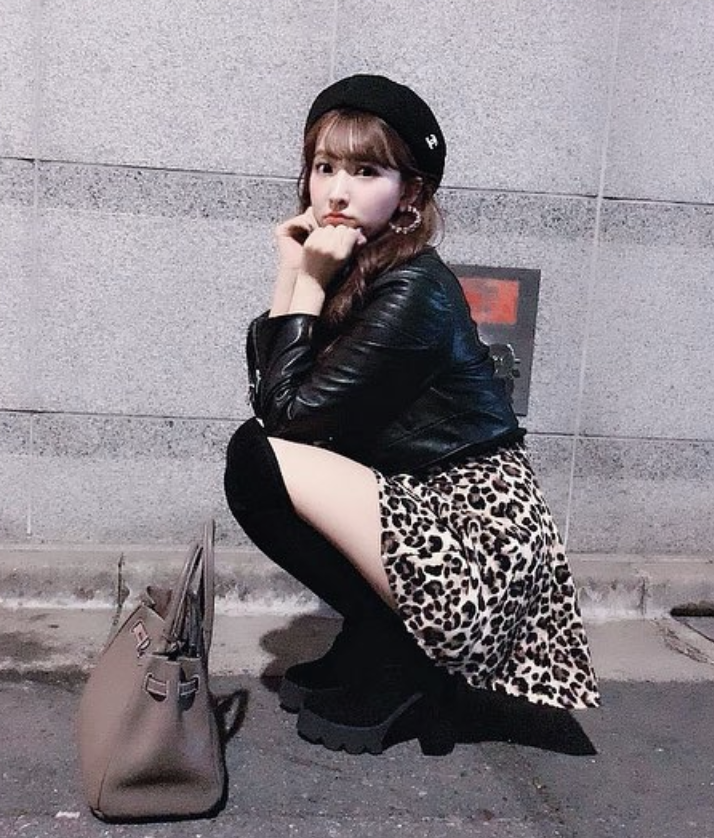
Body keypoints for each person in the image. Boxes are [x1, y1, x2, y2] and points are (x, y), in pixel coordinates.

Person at [224, 74, 600, 756]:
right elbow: (281, 399)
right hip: (420, 500)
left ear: (411, 193)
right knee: (257, 459)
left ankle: (404, 656)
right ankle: (377, 634)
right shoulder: (360, 268)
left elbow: (286, 416)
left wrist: (304, 282)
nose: (336, 191)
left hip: (474, 539)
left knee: (258, 459)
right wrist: (293, 269)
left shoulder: (414, 289)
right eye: (324, 167)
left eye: (366, 171)